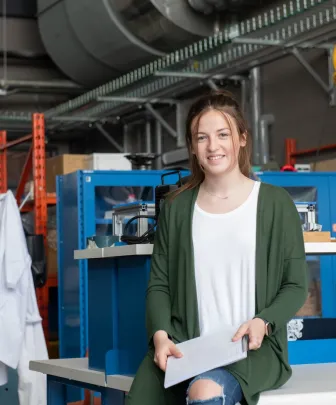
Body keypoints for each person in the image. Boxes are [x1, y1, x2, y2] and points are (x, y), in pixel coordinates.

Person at [126, 90, 308, 405]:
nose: (213, 146)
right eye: (202, 138)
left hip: (251, 350)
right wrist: (160, 336)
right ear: (193, 148)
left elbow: (295, 285)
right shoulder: (176, 208)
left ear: (242, 138)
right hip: (187, 347)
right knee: (140, 397)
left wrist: (263, 322)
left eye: (223, 134)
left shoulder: (276, 204)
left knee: (206, 391)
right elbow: (159, 285)